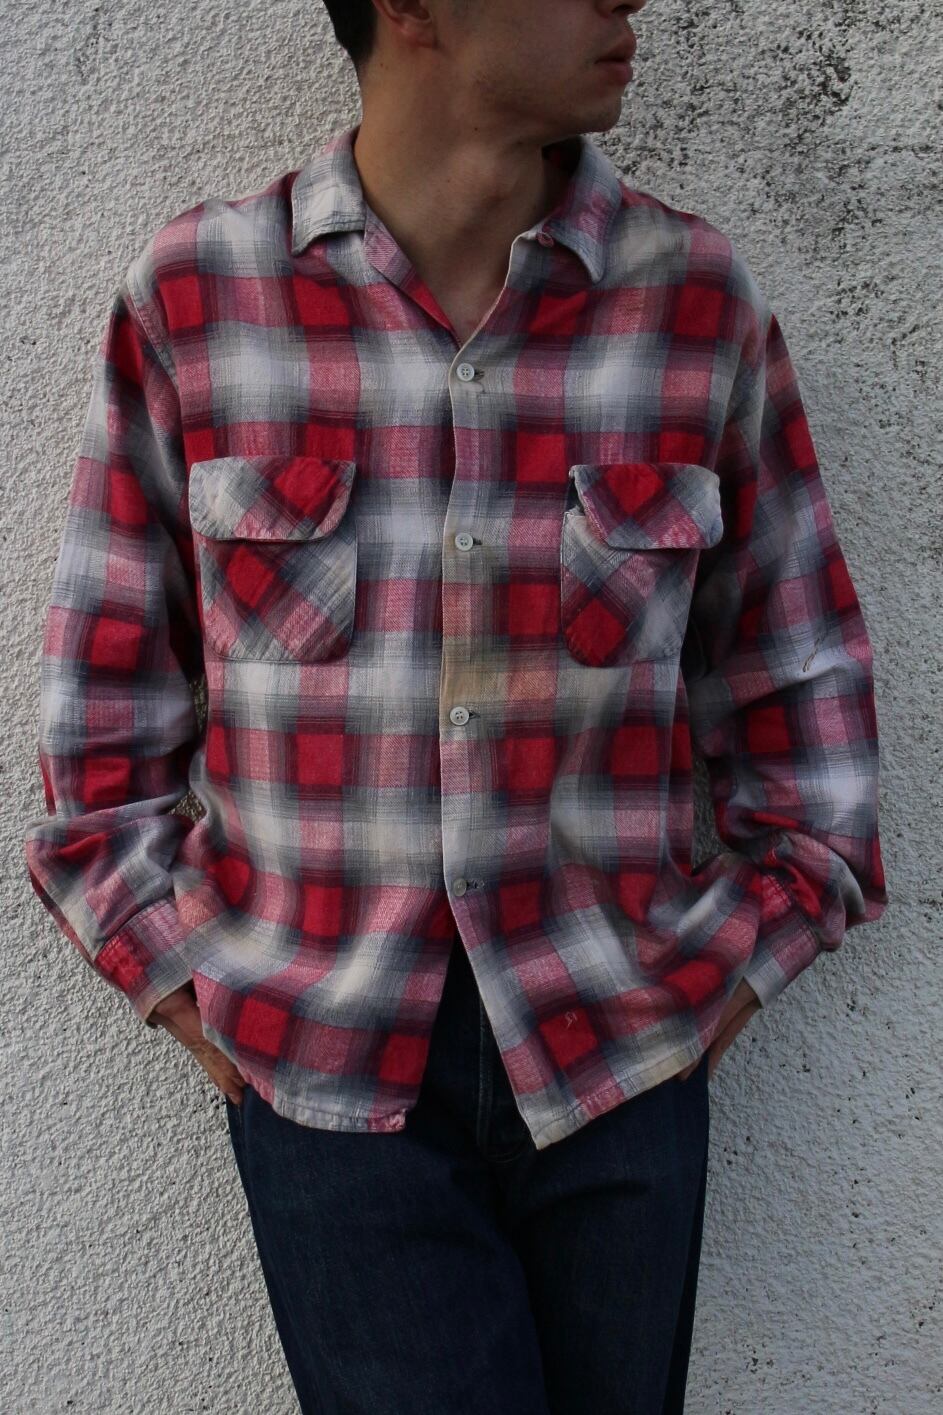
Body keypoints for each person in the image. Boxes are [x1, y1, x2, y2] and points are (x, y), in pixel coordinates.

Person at [23, 2, 889, 1411]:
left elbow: (802, 690)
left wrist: (725, 980)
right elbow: (101, 717)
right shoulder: (201, 299)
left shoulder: (694, 304)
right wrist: (192, 989)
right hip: (328, 1075)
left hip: (623, 1059)